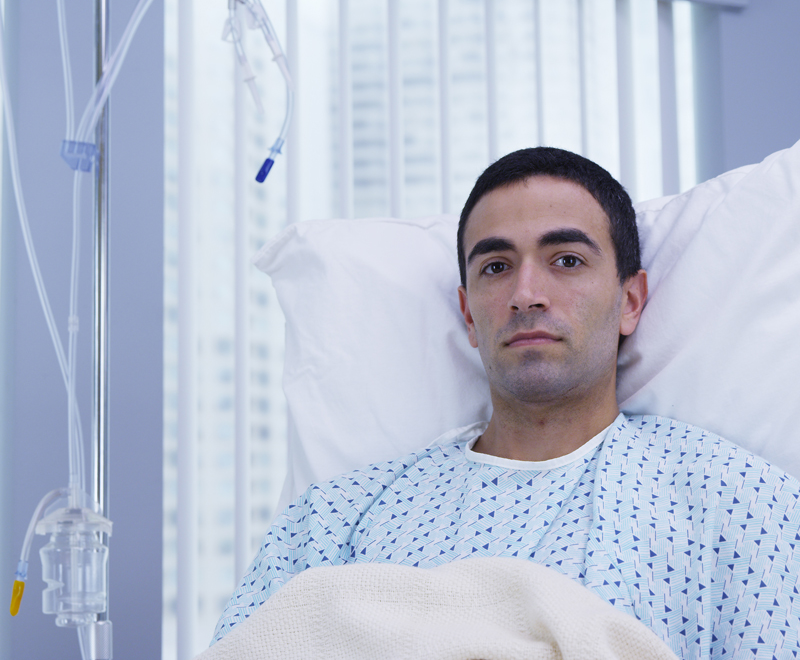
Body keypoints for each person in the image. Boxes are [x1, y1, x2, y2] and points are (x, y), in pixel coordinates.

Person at [212, 148, 800, 658]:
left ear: (630, 300)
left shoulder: (738, 503)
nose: (526, 294)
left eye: (566, 260)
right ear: (469, 314)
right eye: (496, 267)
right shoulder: (335, 520)